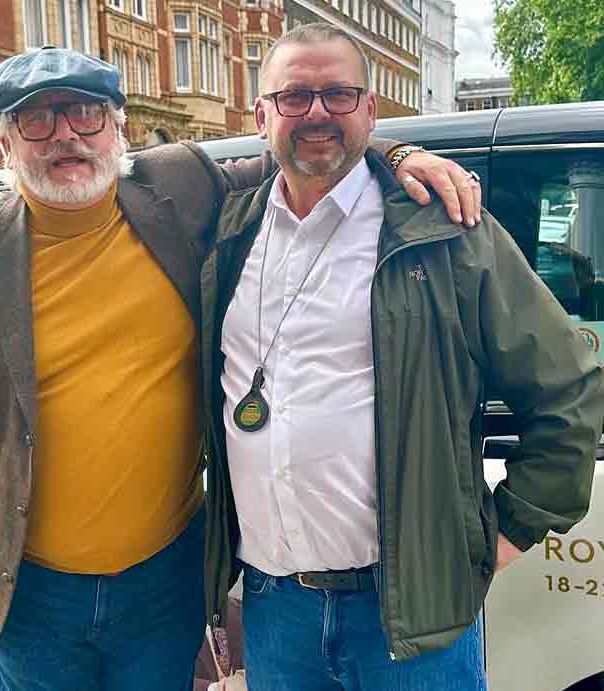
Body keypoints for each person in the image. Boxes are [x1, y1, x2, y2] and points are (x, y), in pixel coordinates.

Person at [0, 46, 480, 691]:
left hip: (164, 580)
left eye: (84, 115)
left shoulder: (179, 188)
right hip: (30, 592)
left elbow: (306, 150)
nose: (65, 138)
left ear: (118, 127)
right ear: (5, 144)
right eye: (37, 121)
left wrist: (397, 157)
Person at [201, 23, 604, 691]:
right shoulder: (225, 228)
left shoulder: (443, 229)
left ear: (370, 109)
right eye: (296, 96)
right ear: (262, 112)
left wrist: (505, 534)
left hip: (412, 618)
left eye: (339, 93)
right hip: (276, 611)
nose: (318, 112)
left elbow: (570, 387)